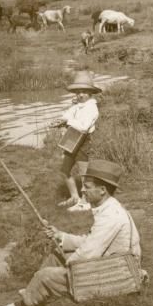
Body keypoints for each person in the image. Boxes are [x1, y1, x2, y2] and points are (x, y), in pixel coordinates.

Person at [0, 159, 141, 306]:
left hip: (117, 272)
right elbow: (89, 240)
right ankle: (33, 292)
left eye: (87, 187)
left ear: (102, 190)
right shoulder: (108, 207)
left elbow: (88, 253)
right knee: (55, 255)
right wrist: (60, 236)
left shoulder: (110, 216)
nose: (82, 190)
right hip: (110, 262)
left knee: (44, 275)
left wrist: (67, 266)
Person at [53, 71, 101, 212]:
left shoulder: (92, 108)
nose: (80, 95)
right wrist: (60, 120)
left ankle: (86, 202)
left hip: (83, 141)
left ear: (90, 93)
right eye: (78, 92)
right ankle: (75, 197)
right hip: (71, 139)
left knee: (84, 173)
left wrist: (68, 121)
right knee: (64, 170)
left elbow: (83, 127)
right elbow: (67, 115)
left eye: (84, 92)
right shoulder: (76, 106)